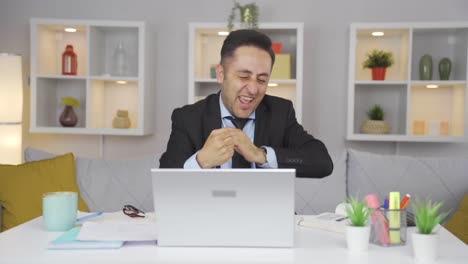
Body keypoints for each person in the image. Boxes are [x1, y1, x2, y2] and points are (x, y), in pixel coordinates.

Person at [159, 29, 333, 178]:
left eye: (262, 80)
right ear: (221, 74)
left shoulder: (280, 112)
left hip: (266, 215)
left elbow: (322, 162)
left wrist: (260, 154)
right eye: (243, 76)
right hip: (208, 215)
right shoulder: (188, 117)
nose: (253, 89)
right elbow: (165, 180)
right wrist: (201, 160)